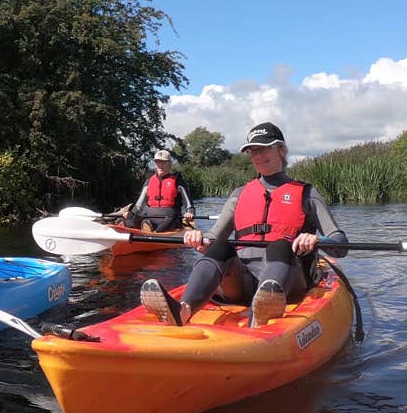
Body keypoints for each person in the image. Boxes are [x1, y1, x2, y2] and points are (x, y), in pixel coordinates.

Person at [139, 122, 348, 328]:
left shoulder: (306, 193)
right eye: (252, 151)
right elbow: (213, 236)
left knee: (280, 245)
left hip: (289, 282)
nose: (257, 156)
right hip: (242, 283)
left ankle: (261, 313)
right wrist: (201, 241)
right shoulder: (239, 194)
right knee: (221, 246)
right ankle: (184, 310)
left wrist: (317, 239)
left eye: (264, 148)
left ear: (282, 150)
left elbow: (340, 244)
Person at [122, 150, 195, 232]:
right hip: (150, 217)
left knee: (172, 216)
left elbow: (190, 206)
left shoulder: (178, 181)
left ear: (170, 164)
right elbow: (138, 206)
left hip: (170, 219)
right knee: (130, 216)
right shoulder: (149, 182)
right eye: (158, 162)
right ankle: (131, 231)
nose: (160, 165)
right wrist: (130, 214)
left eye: (164, 162)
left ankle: (154, 232)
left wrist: (190, 213)